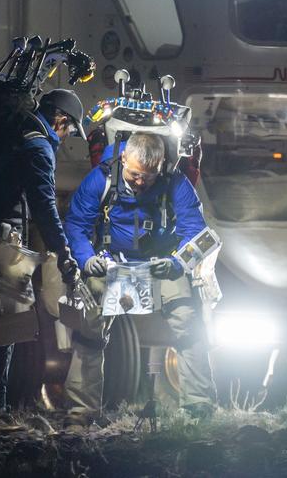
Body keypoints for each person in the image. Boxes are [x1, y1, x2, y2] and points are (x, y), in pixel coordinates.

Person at [0, 88, 84, 441]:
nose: (68, 136)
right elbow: (44, 207)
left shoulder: (13, 133)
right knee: (6, 329)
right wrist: (64, 251)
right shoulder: (37, 147)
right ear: (60, 119)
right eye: (70, 129)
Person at [62, 130, 217, 423]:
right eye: (134, 174)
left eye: (149, 176)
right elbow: (76, 225)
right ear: (123, 159)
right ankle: (81, 411)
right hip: (110, 264)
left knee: (187, 318)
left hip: (160, 265)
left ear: (160, 166)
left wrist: (176, 264)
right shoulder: (101, 179)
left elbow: (197, 235)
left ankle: (200, 407)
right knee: (90, 326)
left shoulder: (176, 184)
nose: (141, 182)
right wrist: (86, 259)